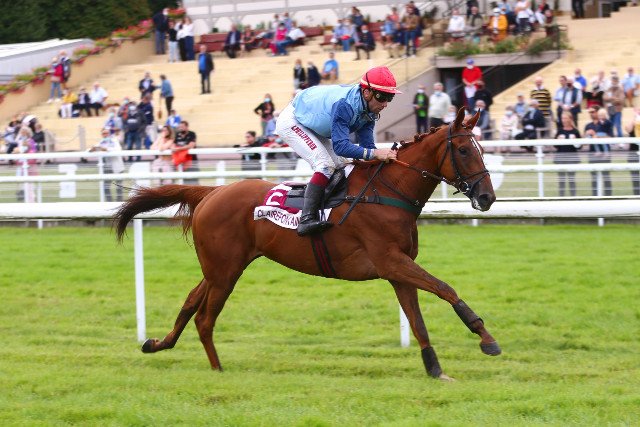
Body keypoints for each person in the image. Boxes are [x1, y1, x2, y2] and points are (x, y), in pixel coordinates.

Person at [275, 66, 399, 236]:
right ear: (366, 93)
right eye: (382, 97)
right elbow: (340, 147)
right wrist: (376, 154)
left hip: (313, 120)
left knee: (342, 165)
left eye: (389, 98)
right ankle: (306, 219)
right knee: (325, 165)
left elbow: (368, 148)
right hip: (294, 120)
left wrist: (385, 157)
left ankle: (330, 208)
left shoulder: (370, 110)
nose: (385, 104)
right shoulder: (345, 105)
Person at [90, 128, 125, 201]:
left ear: (109, 134)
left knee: (119, 186)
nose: (105, 135)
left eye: (106, 133)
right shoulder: (101, 142)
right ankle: (109, 202)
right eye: (103, 133)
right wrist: (92, 149)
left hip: (117, 167)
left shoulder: (114, 140)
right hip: (107, 167)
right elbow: (90, 150)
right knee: (105, 186)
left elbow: (118, 150)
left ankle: (119, 202)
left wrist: (106, 149)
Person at [584, 107, 612, 196]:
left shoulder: (606, 123)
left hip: (605, 154)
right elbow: (584, 142)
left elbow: (611, 137)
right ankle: (595, 197)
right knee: (594, 178)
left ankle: (609, 197)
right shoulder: (588, 125)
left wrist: (598, 136)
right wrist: (587, 134)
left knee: (606, 177)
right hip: (593, 154)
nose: (591, 114)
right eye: (590, 112)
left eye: (593, 112)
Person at [554, 112, 581, 197]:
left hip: (572, 158)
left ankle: (573, 197)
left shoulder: (575, 131)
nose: (563, 120)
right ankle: (561, 197)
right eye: (562, 118)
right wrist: (557, 140)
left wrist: (575, 142)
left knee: (571, 179)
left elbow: (580, 146)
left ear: (570, 119)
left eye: (565, 118)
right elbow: (555, 145)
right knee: (561, 180)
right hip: (560, 158)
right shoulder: (560, 130)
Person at [625, 111, 640, 195]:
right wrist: (634, 118)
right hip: (633, 153)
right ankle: (637, 194)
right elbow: (628, 129)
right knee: (635, 177)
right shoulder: (634, 122)